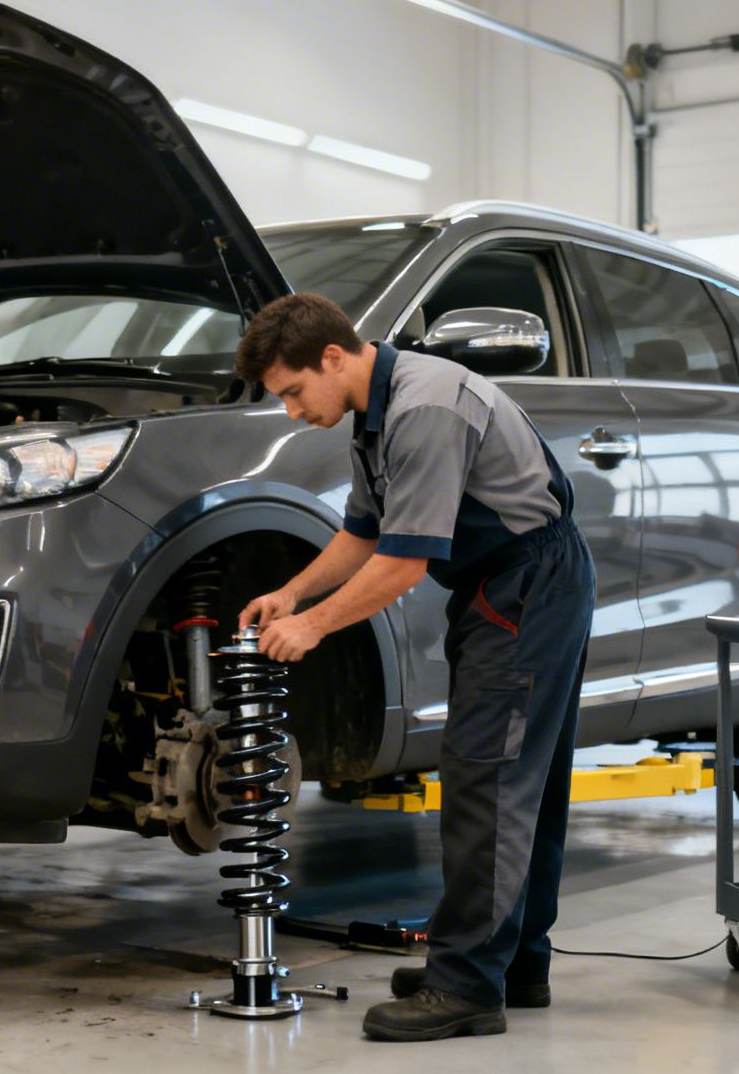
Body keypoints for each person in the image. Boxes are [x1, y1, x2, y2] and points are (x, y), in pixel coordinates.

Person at [233, 292, 596, 1043]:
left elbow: (404, 564)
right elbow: (364, 533)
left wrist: (313, 627)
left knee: (487, 783)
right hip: (507, 583)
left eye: (294, 392)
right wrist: (290, 592)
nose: (294, 412)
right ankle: (514, 963)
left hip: (528, 582)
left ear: (332, 358)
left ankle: (466, 987)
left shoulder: (425, 407)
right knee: (524, 780)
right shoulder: (376, 414)